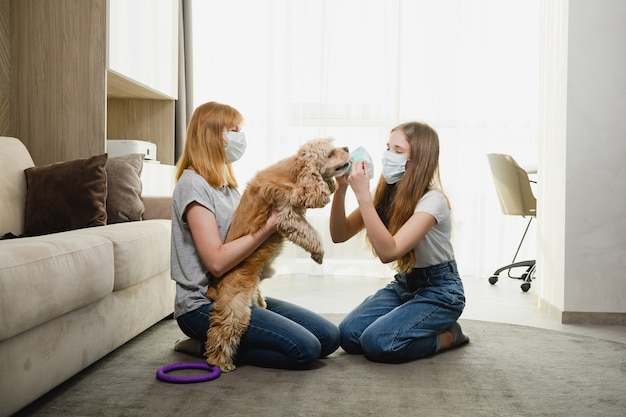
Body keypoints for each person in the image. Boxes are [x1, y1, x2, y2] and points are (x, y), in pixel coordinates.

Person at [171, 101, 340, 369]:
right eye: (235, 130)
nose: (241, 137)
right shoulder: (193, 185)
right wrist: (271, 225)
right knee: (306, 350)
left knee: (329, 338)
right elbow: (216, 262)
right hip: (203, 304)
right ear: (213, 135)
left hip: (240, 292)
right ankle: (207, 345)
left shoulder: (227, 187)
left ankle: (225, 342)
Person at [329, 121, 469, 363]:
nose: (387, 156)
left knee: (378, 342)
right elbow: (339, 234)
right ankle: (412, 320)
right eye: (387, 148)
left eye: (398, 151)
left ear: (417, 160)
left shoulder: (432, 201)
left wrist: (362, 195)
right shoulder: (387, 192)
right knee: (349, 336)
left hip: (440, 290)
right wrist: (341, 189)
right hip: (405, 284)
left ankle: (449, 335)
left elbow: (389, 252)